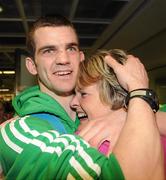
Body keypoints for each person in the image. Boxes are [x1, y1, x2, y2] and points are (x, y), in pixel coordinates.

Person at [0, 14, 164, 179]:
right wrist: (139, 96)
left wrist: (123, 115)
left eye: (70, 48)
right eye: (49, 51)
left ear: (81, 57)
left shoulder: (98, 109)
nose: (63, 59)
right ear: (32, 66)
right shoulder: (22, 130)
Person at [71, 49, 166, 155]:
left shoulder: (87, 147)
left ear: (117, 95)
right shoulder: (156, 136)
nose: (73, 103)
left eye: (83, 94)